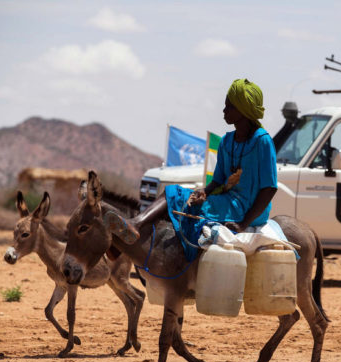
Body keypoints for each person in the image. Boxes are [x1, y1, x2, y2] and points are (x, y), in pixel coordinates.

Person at [105, 78, 278, 245]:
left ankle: (135, 225)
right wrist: (204, 192)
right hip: (227, 201)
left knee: (175, 198)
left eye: (229, 106)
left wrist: (244, 223)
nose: (224, 111)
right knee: (176, 197)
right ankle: (133, 231)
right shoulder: (227, 141)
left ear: (243, 109)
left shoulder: (262, 142)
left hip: (249, 209)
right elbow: (217, 181)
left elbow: (269, 189)